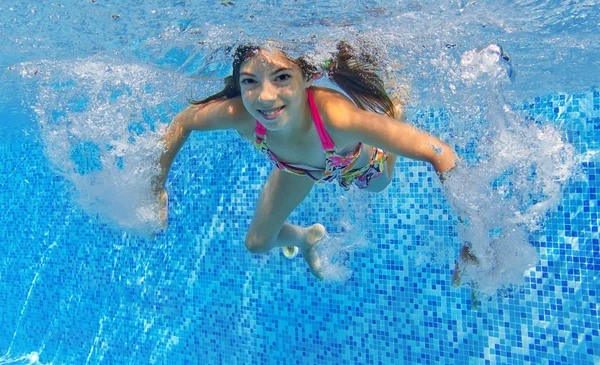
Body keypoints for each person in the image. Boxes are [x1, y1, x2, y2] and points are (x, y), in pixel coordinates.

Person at [154, 41, 458, 280]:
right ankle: (306, 239)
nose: (265, 97)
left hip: (358, 165)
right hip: (296, 168)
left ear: (308, 76)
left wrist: (472, 235)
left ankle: (393, 112)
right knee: (257, 243)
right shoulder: (242, 115)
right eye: (250, 82)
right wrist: (156, 186)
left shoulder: (337, 118)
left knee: (377, 185)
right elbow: (184, 121)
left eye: (282, 77)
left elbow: (440, 152)